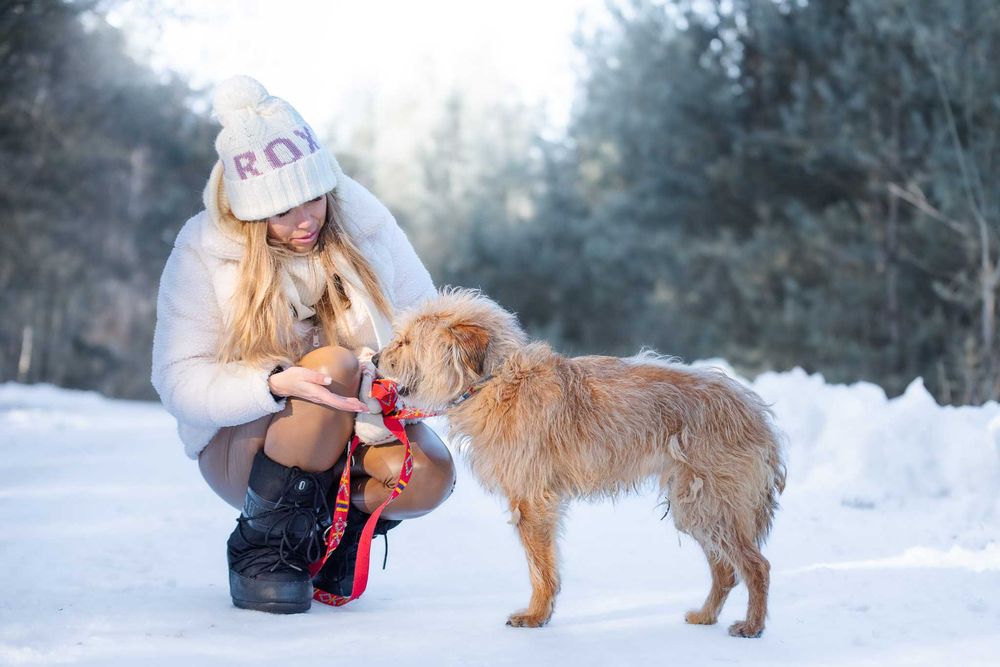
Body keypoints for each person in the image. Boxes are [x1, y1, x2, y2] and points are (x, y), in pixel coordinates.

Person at [151, 75, 456, 614]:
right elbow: (177, 379)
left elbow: (426, 326)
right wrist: (269, 384)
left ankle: (328, 539)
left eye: (312, 198)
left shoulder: (363, 223)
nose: (305, 220)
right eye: (281, 210)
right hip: (245, 445)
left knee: (431, 475)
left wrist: (395, 388)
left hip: (351, 424)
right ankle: (264, 549)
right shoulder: (203, 247)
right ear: (248, 211)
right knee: (330, 366)